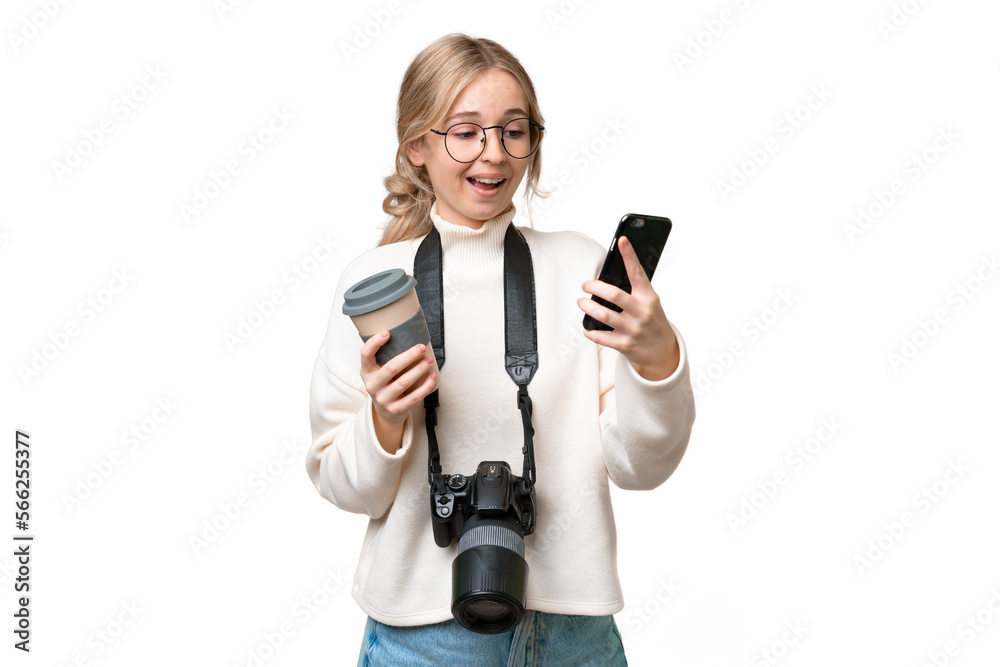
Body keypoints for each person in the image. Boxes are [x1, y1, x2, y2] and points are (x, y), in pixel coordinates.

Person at [306, 33, 696, 666]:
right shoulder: (376, 285)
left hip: (574, 635)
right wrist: (384, 418)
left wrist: (657, 360)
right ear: (416, 147)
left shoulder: (581, 270)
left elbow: (641, 469)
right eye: (465, 132)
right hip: (424, 639)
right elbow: (346, 488)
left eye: (514, 131)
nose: (493, 153)